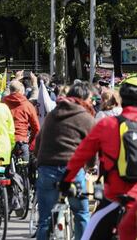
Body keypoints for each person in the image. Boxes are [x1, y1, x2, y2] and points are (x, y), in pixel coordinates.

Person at [61, 75, 137, 240]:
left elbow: (81, 154)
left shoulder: (108, 124)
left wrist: (66, 180)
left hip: (117, 197)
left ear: (122, 99)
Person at [35, 82, 96, 240]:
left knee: (44, 220)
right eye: (91, 99)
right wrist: (90, 166)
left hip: (47, 169)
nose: (93, 102)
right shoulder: (86, 117)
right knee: (82, 213)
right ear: (83, 99)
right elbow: (92, 147)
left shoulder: (52, 114)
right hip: (73, 170)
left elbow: (38, 141)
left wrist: (39, 159)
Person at [3, 80, 40, 162]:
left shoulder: (3, 102)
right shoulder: (28, 105)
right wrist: (30, 143)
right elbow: (36, 128)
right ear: (21, 91)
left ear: (10, 90)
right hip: (21, 140)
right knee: (25, 168)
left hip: (5, 141)